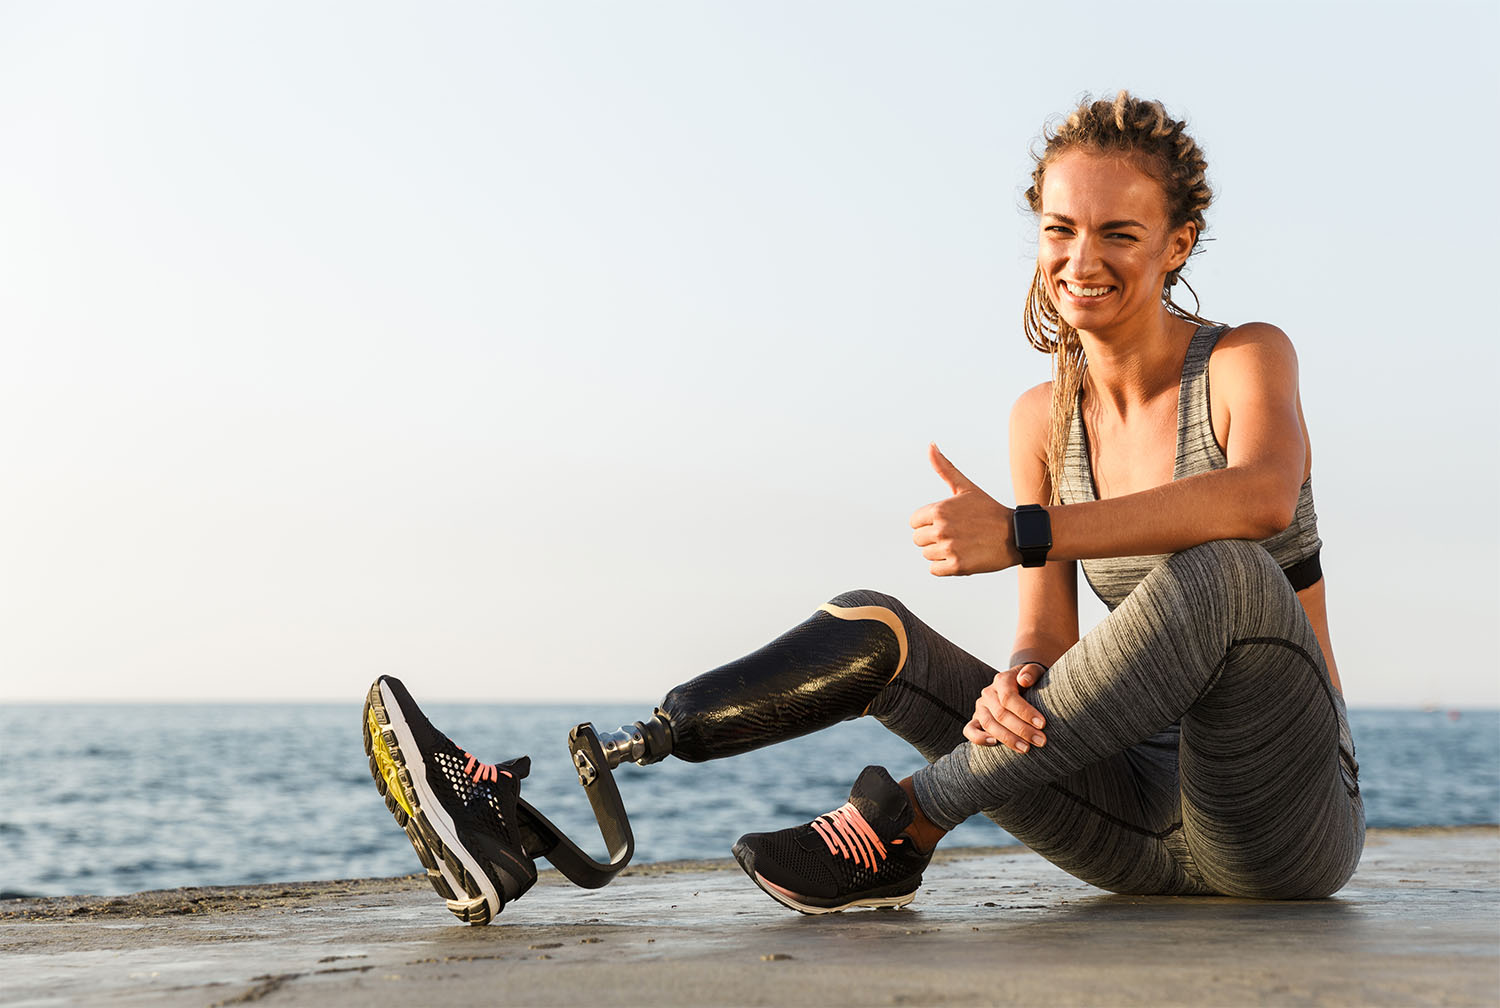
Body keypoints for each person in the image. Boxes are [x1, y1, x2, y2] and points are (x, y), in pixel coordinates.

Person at [363, 91, 1363, 924]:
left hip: (1281, 820)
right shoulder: (1041, 421)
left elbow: (1260, 497)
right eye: (1060, 228)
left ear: (1178, 243)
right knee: (872, 625)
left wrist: (1024, 532)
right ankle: (544, 796)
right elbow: (1048, 634)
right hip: (1128, 824)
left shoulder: (1243, 360)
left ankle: (907, 824)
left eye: (1119, 232)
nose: (1081, 258)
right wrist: (1015, 682)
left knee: (1227, 568)